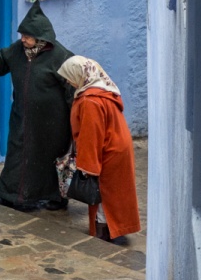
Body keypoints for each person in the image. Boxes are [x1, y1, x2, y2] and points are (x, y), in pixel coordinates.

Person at [0, 1, 74, 211]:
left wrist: (74, 115)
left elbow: (72, 85)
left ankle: (54, 197)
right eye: (22, 35)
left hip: (51, 123)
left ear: (40, 37)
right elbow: (2, 58)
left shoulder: (60, 56)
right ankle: (9, 195)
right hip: (22, 116)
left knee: (47, 159)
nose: (23, 39)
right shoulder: (18, 50)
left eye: (27, 36)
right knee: (17, 154)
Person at [57, 55, 141, 243]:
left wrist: (87, 166)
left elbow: (91, 135)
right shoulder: (102, 90)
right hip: (117, 145)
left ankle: (106, 231)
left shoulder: (89, 101)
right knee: (115, 191)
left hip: (109, 151)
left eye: (70, 76)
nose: (69, 81)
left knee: (105, 192)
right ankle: (113, 228)